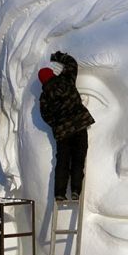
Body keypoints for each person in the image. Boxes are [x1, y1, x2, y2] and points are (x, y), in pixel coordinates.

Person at [38, 51, 94, 201]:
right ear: (52, 74)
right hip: (78, 125)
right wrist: (57, 57)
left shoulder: (44, 97)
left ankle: (59, 193)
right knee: (78, 158)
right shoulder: (66, 80)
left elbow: (45, 116)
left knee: (62, 161)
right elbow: (71, 64)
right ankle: (75, 189)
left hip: (63, 132)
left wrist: (57, 123)